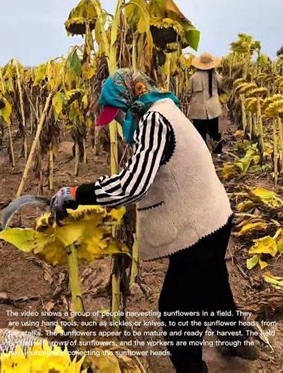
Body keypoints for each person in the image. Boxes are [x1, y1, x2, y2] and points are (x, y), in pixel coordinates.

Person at [50, 68, 258, 373]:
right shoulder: (164, 108)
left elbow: (133, 184)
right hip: (213, 216)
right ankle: (236, 338)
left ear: (130, 102)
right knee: (213, 281)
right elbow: (143, 171)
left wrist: (76, 193)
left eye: (118, 115)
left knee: (176, 307)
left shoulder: (154, 121)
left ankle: (191, 368)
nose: (119, 123)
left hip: (198, 226)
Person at [187, 53, 223, 156]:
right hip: (213, 108)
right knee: (214, 131)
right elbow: (223, 87)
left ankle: (202, 154)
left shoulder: (194, 77)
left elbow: (189, 92)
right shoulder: (216, 75)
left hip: (198, 109)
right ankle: (217, 152)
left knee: (199, 133)